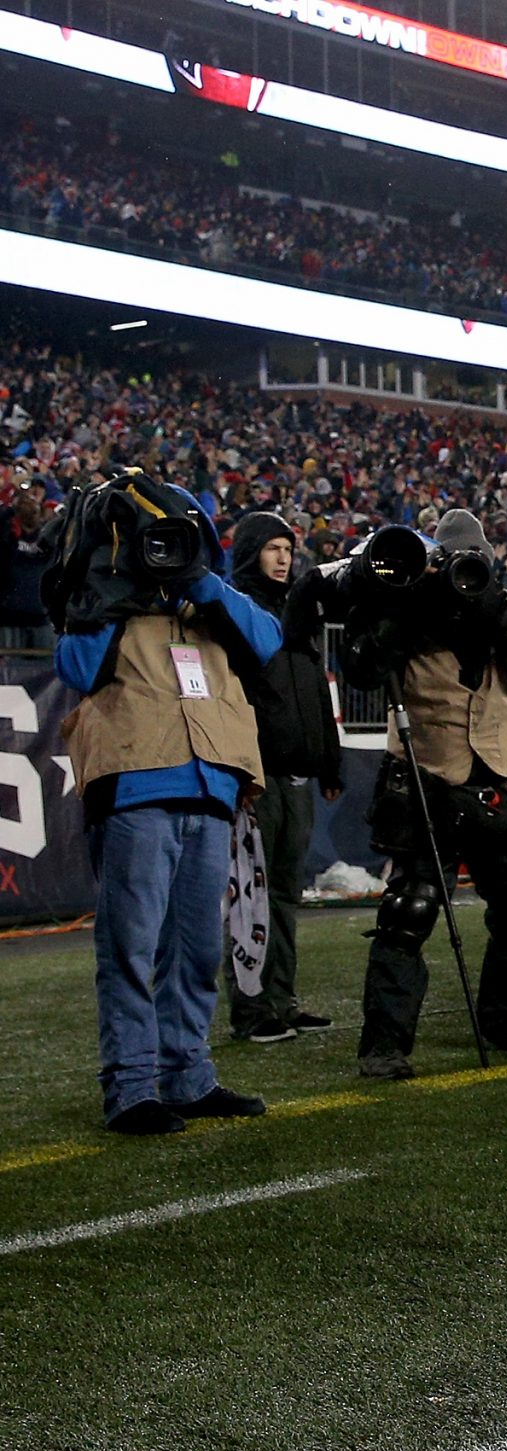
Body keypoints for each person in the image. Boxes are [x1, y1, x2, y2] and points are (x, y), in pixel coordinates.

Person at [47, 471, 280, 1133]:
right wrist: (111, 585)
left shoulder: (210, 604)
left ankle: (189, 1076)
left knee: (197, 948)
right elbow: (76, 668)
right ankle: (131, 1090)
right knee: (133, 946)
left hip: (210, 785)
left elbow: (267, 641)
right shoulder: (101, 601)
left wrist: (199, 579)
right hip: (136, 781)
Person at [339, 510, 507, 1078]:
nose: (463, 574)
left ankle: (506, 1022)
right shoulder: (406, 603)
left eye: (474, 564)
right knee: (408, 911)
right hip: (427, 777)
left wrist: (490, 604)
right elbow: (361, 668)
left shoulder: (503, 607)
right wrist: (409, 607)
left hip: (505, 774)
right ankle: (383, 1045)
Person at [223, 510, 343, 1044]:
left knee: (286, 896)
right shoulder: (233, 614)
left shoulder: (298, 615)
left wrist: (330, 761)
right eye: (272, 548)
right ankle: (252, 1011)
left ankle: (282, 998)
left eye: (288, 550)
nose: (282, 559)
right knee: (250, 896)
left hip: (295, 776)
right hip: (256, 777)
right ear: (251, 552)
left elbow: (317, 694)